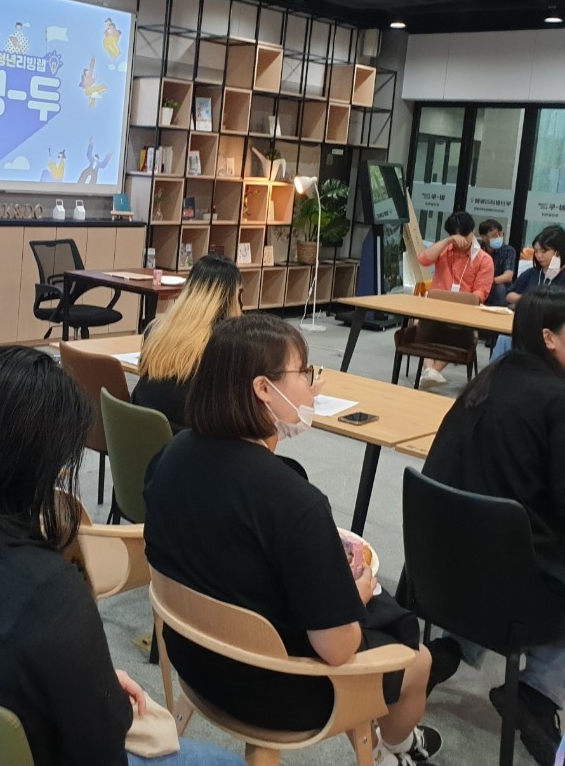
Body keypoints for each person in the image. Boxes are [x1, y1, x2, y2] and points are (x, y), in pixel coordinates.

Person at [0, 346, 243, 766]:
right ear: (37, 465)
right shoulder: (44, 590)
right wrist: (102, 697)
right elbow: (101, 751)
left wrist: (91, 681)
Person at [143, 315, 441, 766]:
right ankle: (396, 749)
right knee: (418, 661)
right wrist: (356, 595)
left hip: (192, 658)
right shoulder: (295, 503)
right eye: (304, 372)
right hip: (272, 690)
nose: (313, 385)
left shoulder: (171, 453)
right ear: (264, 389)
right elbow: (337, 649)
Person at [422, 287, 565, 766]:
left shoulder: (487, 380)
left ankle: (446, 650)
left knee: (504, 538)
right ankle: (537, 693)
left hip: (441, 570)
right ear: (549, 338)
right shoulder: (556, 399)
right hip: (509, 586)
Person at [132, 254, 243, 432]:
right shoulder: (223, 346)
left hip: (140, 435)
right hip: (189, 442)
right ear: (231, 298)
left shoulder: (156, 330)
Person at [416, 210, 495, 388]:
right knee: (420, 321)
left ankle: (430, 371)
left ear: (472, 231)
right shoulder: (444, 249)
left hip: (462, 313)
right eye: (456, 237)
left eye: (465, 236)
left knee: (455, 330)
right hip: (435, 308)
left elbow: (481, 293)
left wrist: (464, 302)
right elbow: (423, 259)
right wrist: (447, 241)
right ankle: (431, 372)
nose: (461, 241)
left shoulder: (483, 259)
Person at [491, 225, 565, 360]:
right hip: (526, 325)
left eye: (544, 251)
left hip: (553, 332)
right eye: (536, 251)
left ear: (558, 252)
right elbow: (509, 295)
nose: (539, 256)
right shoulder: (532, 273)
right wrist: (526, 298)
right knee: (504, 339)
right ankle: (498, 373)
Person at [479, 219, 517, 307]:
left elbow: (508, 276)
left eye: (500, 234)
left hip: (499, 287)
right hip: (480, 285)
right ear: (484, 237)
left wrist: (489, 282)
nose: (499, 237)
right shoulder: (478, 250)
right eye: (495, 235)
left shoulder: (508, 250)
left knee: (499, 288)